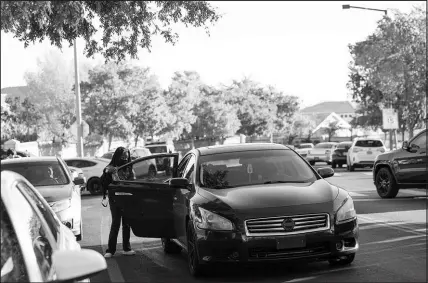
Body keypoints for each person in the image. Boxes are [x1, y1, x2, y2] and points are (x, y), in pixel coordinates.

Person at [102, 147, 136, 258]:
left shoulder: (129, 168)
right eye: (123, 156)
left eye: (127, 156)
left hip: (127, 199)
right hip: (115, 199)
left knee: (126, 224)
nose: (125, 158)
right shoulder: (110, 168)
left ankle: (126, 248)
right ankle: (110, 250)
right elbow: (105, 181)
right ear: (117, 156)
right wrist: (109, 172)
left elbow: (133, 182)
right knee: (115, 223)